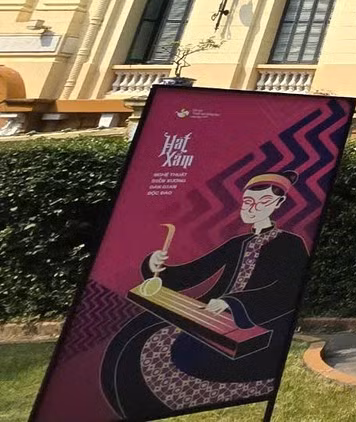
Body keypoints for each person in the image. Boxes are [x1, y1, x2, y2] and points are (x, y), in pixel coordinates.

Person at [101, 172, 310, 417]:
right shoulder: (236, 244)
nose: (252, 209)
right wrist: (155, 266)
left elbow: (286, 290)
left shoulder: (290, 244)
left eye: (261, 203)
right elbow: (193, 273)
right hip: (211, 314)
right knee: (137, 331)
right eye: (248, 202)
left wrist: (232, 303)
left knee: (158, 349)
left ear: (278, 204)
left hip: (256, 322)